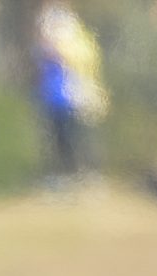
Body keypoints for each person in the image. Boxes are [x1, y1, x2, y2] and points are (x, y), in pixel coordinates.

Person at [34, 4, 108, 181]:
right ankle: (66, 172)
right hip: (53, 94)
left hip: (75, 92)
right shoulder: (47, 26)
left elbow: (85, 59)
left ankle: (88, 172)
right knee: (60, 135)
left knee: (80, 134)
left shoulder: (76, 34)